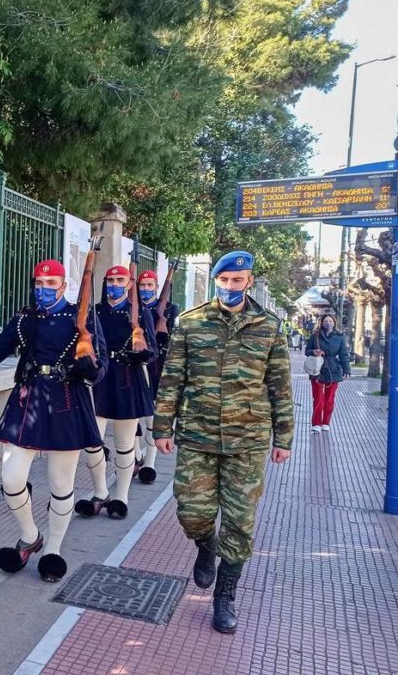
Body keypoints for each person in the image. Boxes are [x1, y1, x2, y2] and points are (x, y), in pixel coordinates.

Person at [0, 260, 108, 582]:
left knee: (61, 484)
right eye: (39, 283)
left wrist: (90, 370)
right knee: (12, 478)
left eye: (50, 284)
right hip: (28, 401)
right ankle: (30, 536)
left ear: (64, 286)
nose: (43, 289)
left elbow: (101, 367)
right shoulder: (25, 319)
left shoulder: (81, 318)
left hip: (67, 402)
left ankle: (53, 549)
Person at [154, 250, 293, 635]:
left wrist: (284, 437)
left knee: (239, 522)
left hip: (248, 441)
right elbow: (172, 379)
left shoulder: (269, 327)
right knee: (192, 512)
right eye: (225, 280)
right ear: (216, 280)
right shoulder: (190, 322)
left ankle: (225, 595)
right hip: (197, 435)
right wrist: (162, 427)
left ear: (249, 282)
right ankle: (205, 545)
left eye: (237, 280)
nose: (230, 286)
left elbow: (280, 387)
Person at [76, 265, 156, 520]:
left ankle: (121, 496)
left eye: (120, 280)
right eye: (111, 280)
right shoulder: (95, 311)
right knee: (92, 443)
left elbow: (153, 349)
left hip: (127, 378)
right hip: (101, 378)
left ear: (129, 284)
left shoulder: (140, 313)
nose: (114, 285)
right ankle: (101, 492)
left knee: (124, 444)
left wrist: (142, 354)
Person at [135, 268, 178, 484]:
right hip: (135, 366)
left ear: (156, 286)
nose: (145, 289)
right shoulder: (133, 307)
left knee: (152, 416)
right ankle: (136, 456)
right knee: (131, 417)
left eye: (149, 285)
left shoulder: (170, 309)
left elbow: (174, 339)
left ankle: (149, 463)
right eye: (142, 285)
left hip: (158, 366)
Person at [305, 314, 351, 433]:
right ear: (322, 323)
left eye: (330, 321)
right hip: (317, 370)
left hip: (334, 370)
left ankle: (326, 422)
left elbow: (344, 355)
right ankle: (316, 423)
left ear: (334, 323)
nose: (328, 323)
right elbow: (307, 351)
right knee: (318, 398)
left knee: (329, 399)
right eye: (326, 321)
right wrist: (314, 352)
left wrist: (347, 370)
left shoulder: (339, 337)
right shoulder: (315, 336)